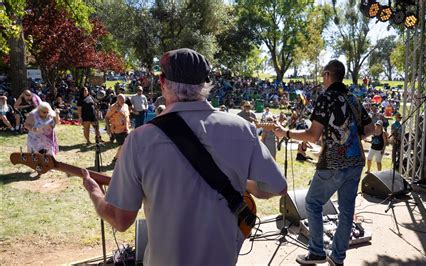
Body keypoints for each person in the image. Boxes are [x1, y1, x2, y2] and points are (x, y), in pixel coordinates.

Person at [81, 48, 287, 266]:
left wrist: (95, 192)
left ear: (162, 81)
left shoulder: (140, 139)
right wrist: (239, 183)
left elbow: (120, 219)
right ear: (207, 84)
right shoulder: (242, 129)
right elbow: (277, 187)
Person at [274, 60, 374, 266]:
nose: (322, 78)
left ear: (328, 75)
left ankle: (317, 252)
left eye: (322, 75)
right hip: (356, 162)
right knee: (347, 211)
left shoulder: (326, 98)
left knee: (312, 203)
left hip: (334, 162)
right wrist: (352, 138)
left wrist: (286, 133)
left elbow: (312, 135)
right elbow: (371, 129)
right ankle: (337, 257)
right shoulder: (353, 98)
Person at [105, 94, 130, 164]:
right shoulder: (113, 107)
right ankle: (116, 158)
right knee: (122, 145)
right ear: (117, 100)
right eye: (121, 100)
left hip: (126, 129)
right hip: (117, 129)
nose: (123, 101)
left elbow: (127, 116)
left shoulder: (126, 106)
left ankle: (122, 158)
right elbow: (106, 117)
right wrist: (108, 128)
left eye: (124, 100)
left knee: (127, 144)